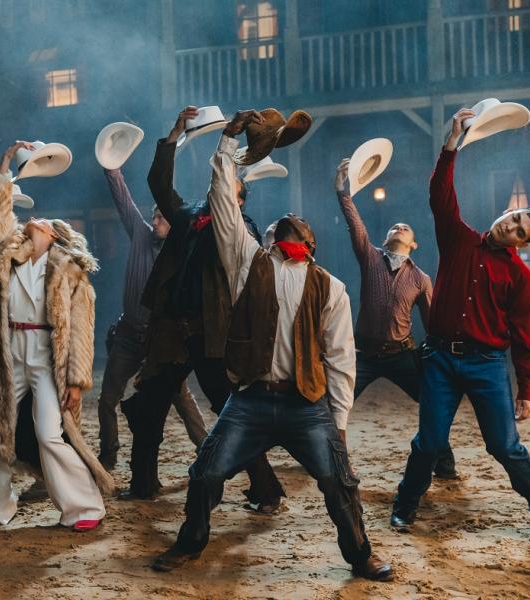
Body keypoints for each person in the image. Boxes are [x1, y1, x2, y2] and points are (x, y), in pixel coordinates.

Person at [151, 111, 392, 580]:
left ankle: (360, 555)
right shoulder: (248, 263)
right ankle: (190, 543)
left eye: (298, 223)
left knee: (339, 481)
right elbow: (223, 204)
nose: (290, 221)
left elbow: (341, 359)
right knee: (206, 472)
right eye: (283, 222)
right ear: (268, 237)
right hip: (251, 400)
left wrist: (339, 421)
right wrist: (227, 142)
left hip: (306, 403)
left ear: (311, 242)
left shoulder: (331, 287)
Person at [390, 108, 530, 541]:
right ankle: (405, 506)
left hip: (486, 364)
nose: (510, 225)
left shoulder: (520, 278)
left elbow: (525, 338)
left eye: (520, 230)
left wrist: (528, 389)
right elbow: (440, 194)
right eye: (513, 217)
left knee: (504, 445)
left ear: (524, 242)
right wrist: (451, 143)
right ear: (507, 212)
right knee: (428, 441)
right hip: (440, 359)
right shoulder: (458, 238)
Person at [120, 106, 284, 508]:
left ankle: (265, 488)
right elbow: (158, 184)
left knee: (231, 411)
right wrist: (174, 133)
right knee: (148, 408)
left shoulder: (242, 228)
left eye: (228, 188)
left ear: (237, 200)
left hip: (214, 333)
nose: (219, 189)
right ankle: (143, 484)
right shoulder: (188, 214)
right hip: (171, 331)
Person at [0, 143, 112, 530]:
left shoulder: (70, 271)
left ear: (54, 235)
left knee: (49, 434)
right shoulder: (8, 254)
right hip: (7, 355)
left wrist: (76, 382)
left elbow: (81, 331)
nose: (33, 219)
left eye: (42, 220)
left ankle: (83, 509)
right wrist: (6, 164)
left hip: (46, 359)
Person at [333, 160, 455, 478]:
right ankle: (328, 460)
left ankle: (445, 463)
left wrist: (436, 358)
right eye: (394, 227)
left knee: (432, 404)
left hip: (402, 354)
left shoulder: (421, 278)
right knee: (335, 404)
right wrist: (343, 192)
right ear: (385, 240)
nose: (399, 227)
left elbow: (432, 323)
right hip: (364, 356)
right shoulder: (370, 256)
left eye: (405, 228)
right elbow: (355, 225)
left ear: (413, 244)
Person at [97, 165, 207, 470]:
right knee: (108, 397)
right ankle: (108, 454)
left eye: (161, 218)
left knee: (181, 397)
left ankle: (207, 449)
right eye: (154, 216)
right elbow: (125, 203)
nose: (155, 221)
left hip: (161, 342)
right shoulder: (141, 237)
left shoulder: (183, 252)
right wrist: (113, 172)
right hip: (128, 335)